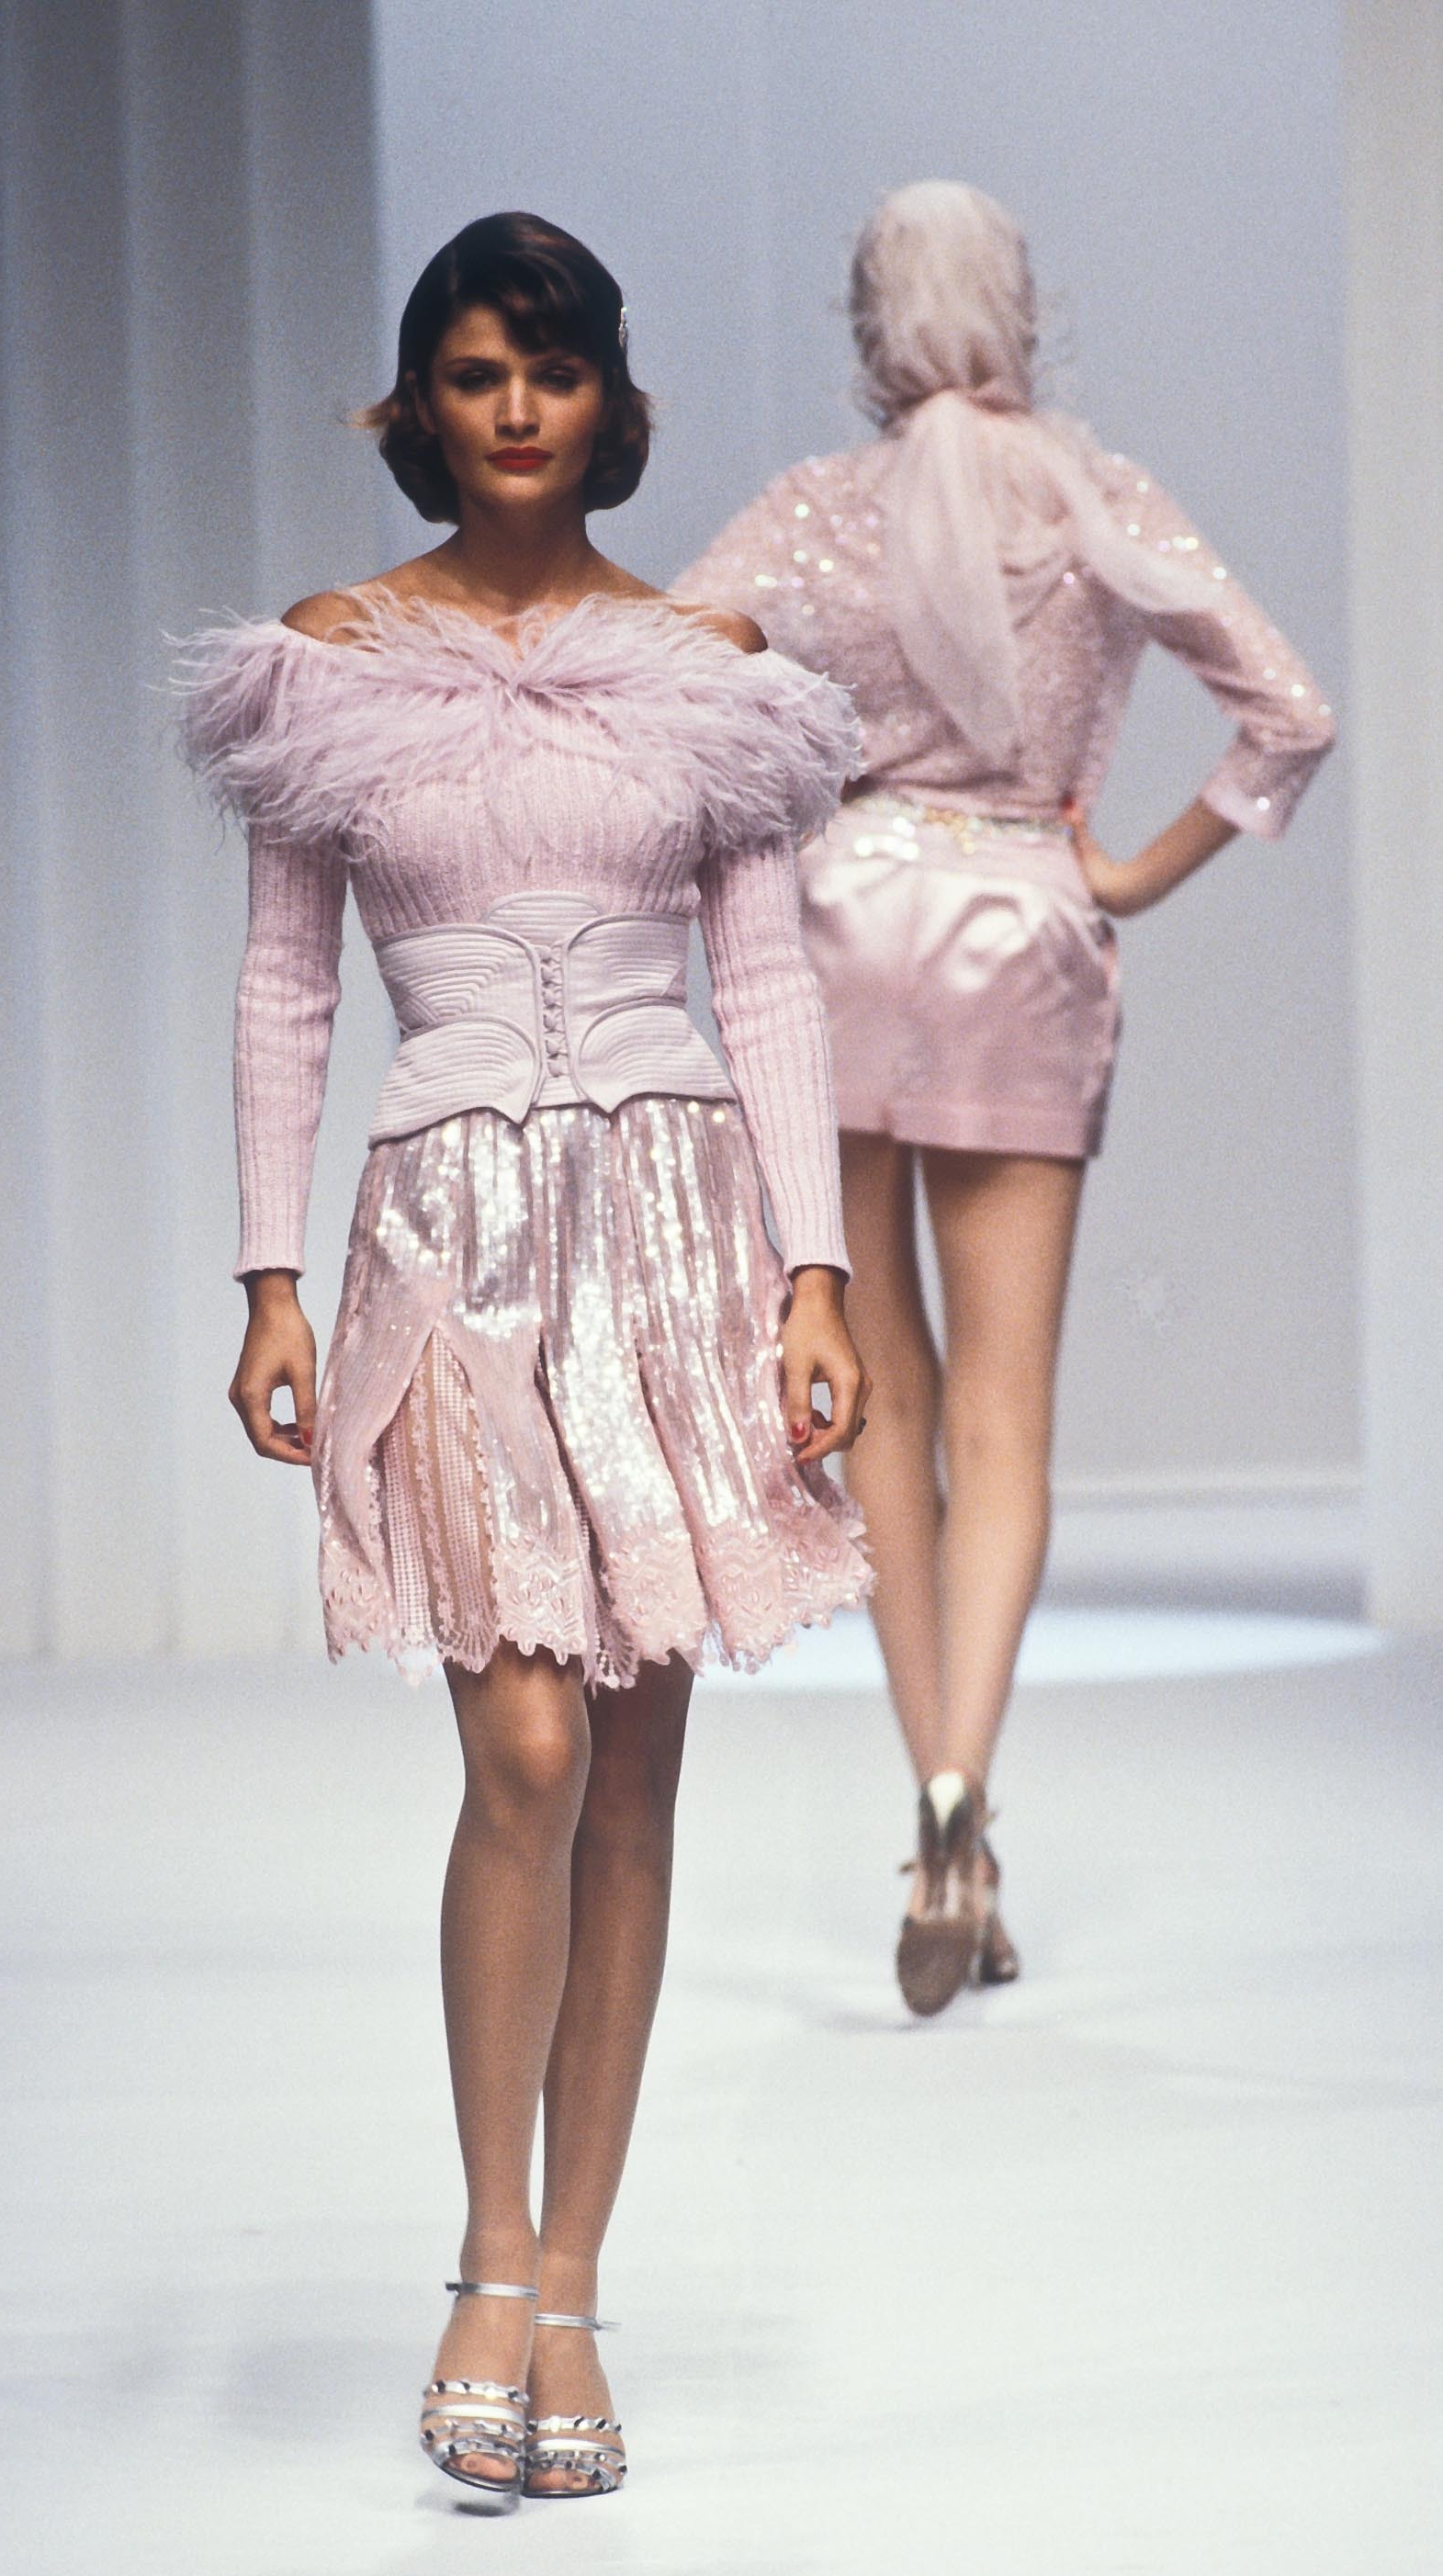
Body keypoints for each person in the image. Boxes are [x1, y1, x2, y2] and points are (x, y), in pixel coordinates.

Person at [178, 212, 870, 2498]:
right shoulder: (329, 663)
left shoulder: (703, 668)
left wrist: (811, 1274)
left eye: (548, 372)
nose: (511, 409)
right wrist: (266, 1278)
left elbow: (763, 980)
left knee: (638, 1780)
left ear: (606, 403)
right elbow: (288, 982)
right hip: (450, 1238)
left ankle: (567, 2292)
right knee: (530, 1748)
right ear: (415, 404)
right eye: (473, 372)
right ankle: (487, 2251)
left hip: (674, 1232)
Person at [678, 179, 1334, 2018]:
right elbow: (1287, 713)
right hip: (1020, 933)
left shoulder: (814, 510)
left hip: (838, 930)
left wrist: (794, 807)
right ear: (1023, 311)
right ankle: (964, 1787)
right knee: (1005, 1416)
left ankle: (932, 1817)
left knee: (869, 1399)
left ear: (862, 325)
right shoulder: (1092, 500)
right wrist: (1127, 875)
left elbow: (667, 675)